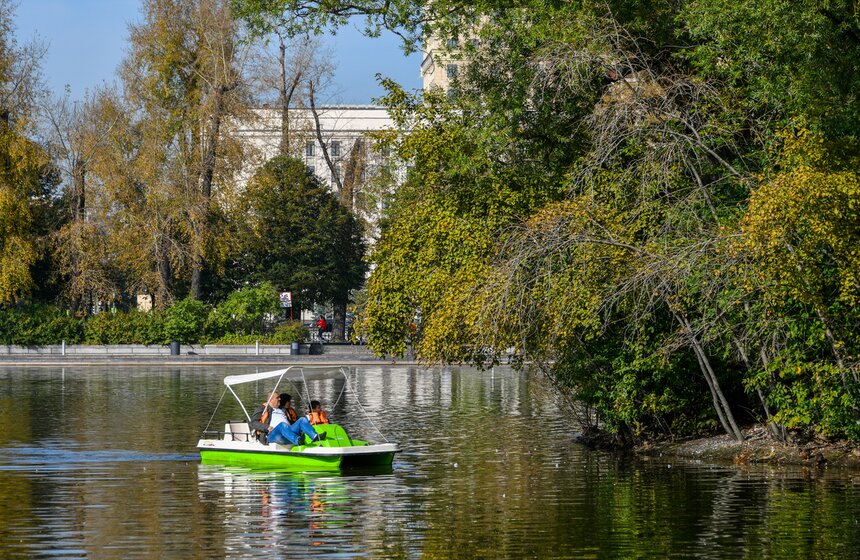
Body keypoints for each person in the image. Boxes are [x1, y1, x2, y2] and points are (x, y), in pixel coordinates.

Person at [251, 392, 323, 446]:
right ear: (271, 400)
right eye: (277, 397)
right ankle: (297, 440)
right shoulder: (263, 408)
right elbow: (253, 423)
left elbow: (293, 421)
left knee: (302, 420)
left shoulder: (282, 409)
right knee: (282, 425)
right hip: (272, 435)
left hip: (288, 432)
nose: (280, 399)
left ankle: (315, 437)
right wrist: (267, 427)